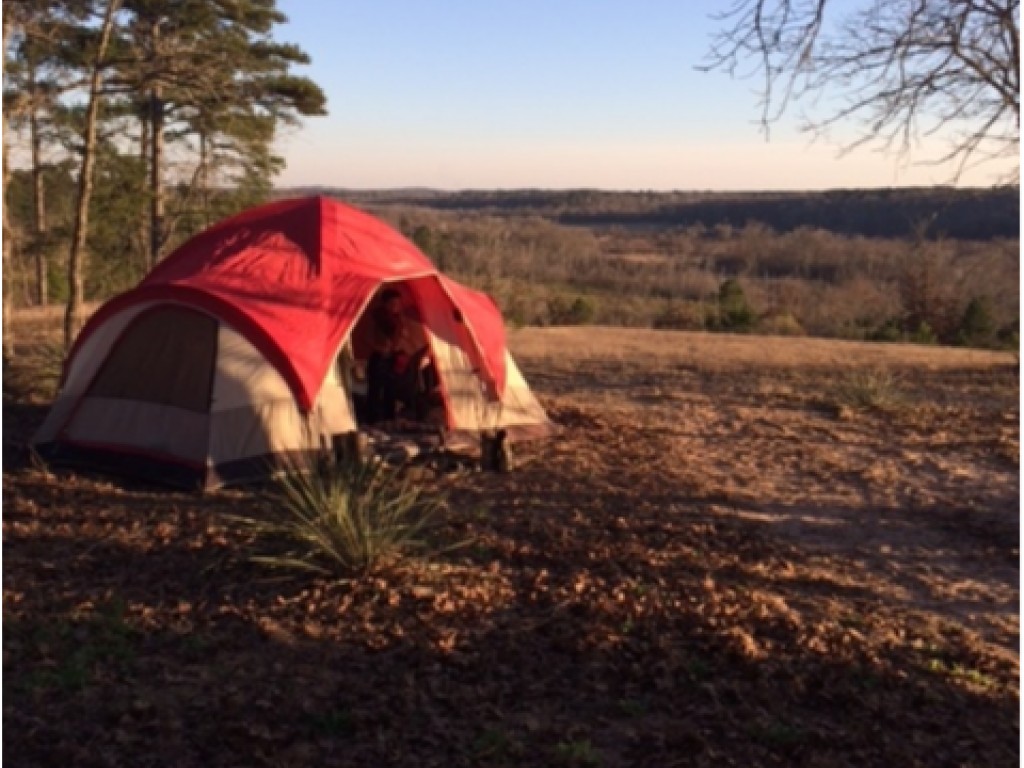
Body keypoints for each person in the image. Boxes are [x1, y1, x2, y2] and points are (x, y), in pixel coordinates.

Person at [362, 288, 434, 423]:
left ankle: (389, 419)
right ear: (385, 304)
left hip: (393, 358)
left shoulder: (400, 320)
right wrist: (378, 348)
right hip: (379, 357)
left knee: (391, 389)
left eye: (398, 304)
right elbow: (366, 337)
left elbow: (404, 337)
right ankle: (372, 420)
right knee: (375, 389)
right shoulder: (376, 318)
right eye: (392, 304)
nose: (396, 307)